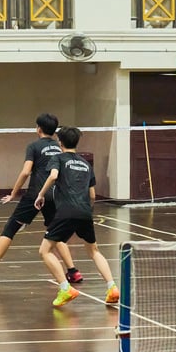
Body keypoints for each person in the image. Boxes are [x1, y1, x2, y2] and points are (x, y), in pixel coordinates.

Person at [0, 113, 84, 285]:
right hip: (56, 195)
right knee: (56, 234)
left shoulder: (34, 146)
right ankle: (73, 272)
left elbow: (25, 172)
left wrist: (13, 193)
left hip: (35, 195)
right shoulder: (60, 146)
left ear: (38, 128)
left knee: (10, 228)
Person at [34, 126, 119, 307]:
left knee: (45, 251)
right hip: (85, 211)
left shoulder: (58, 158)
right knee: (94, 251)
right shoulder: (86, 164)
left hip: (65, 212)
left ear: (60, 142)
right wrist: (86, 211)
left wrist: (41, 194)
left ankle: (65, 288)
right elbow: (93, 195)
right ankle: (112, 287)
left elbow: (54, 175)